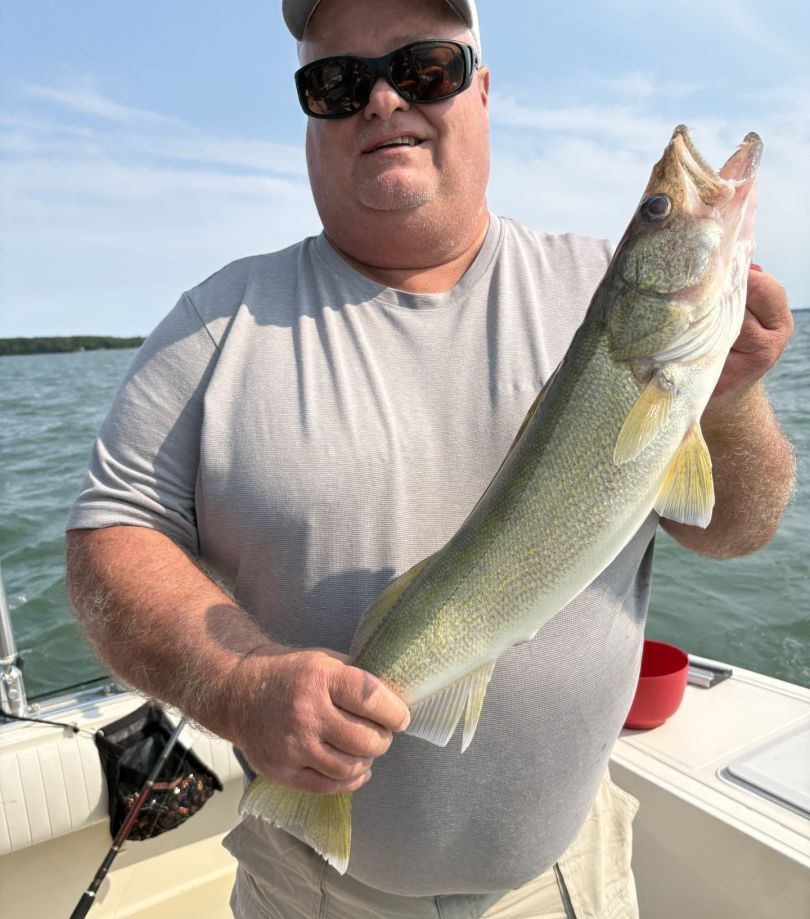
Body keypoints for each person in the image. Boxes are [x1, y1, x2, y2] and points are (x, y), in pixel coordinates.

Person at [65, 0, 796, 916]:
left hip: (570, 879)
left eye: (425, 69)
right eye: (337, 83)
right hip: (308, 894)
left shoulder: (593, 287)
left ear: (482, 92)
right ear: (308, 116)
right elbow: (109, 538)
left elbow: (733, 531)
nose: (381, 101)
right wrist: (238, 684)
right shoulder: (215, 326)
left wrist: (728, 397)